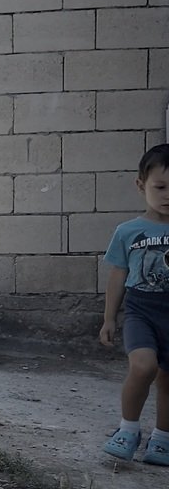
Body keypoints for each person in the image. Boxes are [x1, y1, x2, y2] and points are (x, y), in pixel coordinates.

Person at [99, 142, 169, 463]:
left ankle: (162, 439)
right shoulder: (128, 231)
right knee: (144, 366)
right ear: (141, 185)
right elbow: (118, 275)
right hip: (142, 311)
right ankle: (128, 429)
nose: (168, 194)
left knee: (167, 379)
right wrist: (109, 318)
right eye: (161, 186)